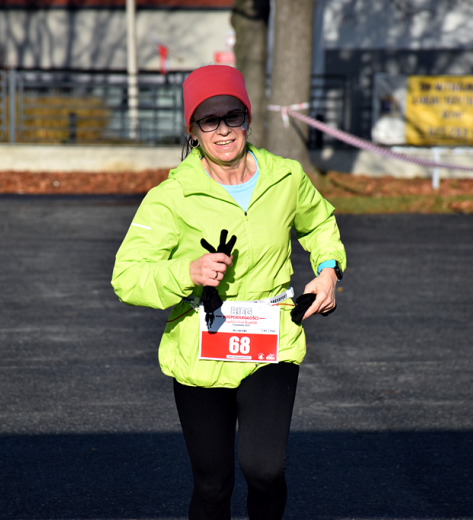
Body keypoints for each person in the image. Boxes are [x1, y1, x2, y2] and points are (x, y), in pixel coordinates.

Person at [111, 65, 346, 520]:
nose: (223, 130)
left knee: (264, 470)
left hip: (270, 340)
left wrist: (328, 268)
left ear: (247, 118)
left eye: (232, 116)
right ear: (193, 130)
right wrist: (187, 270)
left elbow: (319, 224)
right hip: (202, 348)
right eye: (208, 120)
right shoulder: (172, 195)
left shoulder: (286, 178)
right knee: (214, 485)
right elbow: (128, 276)